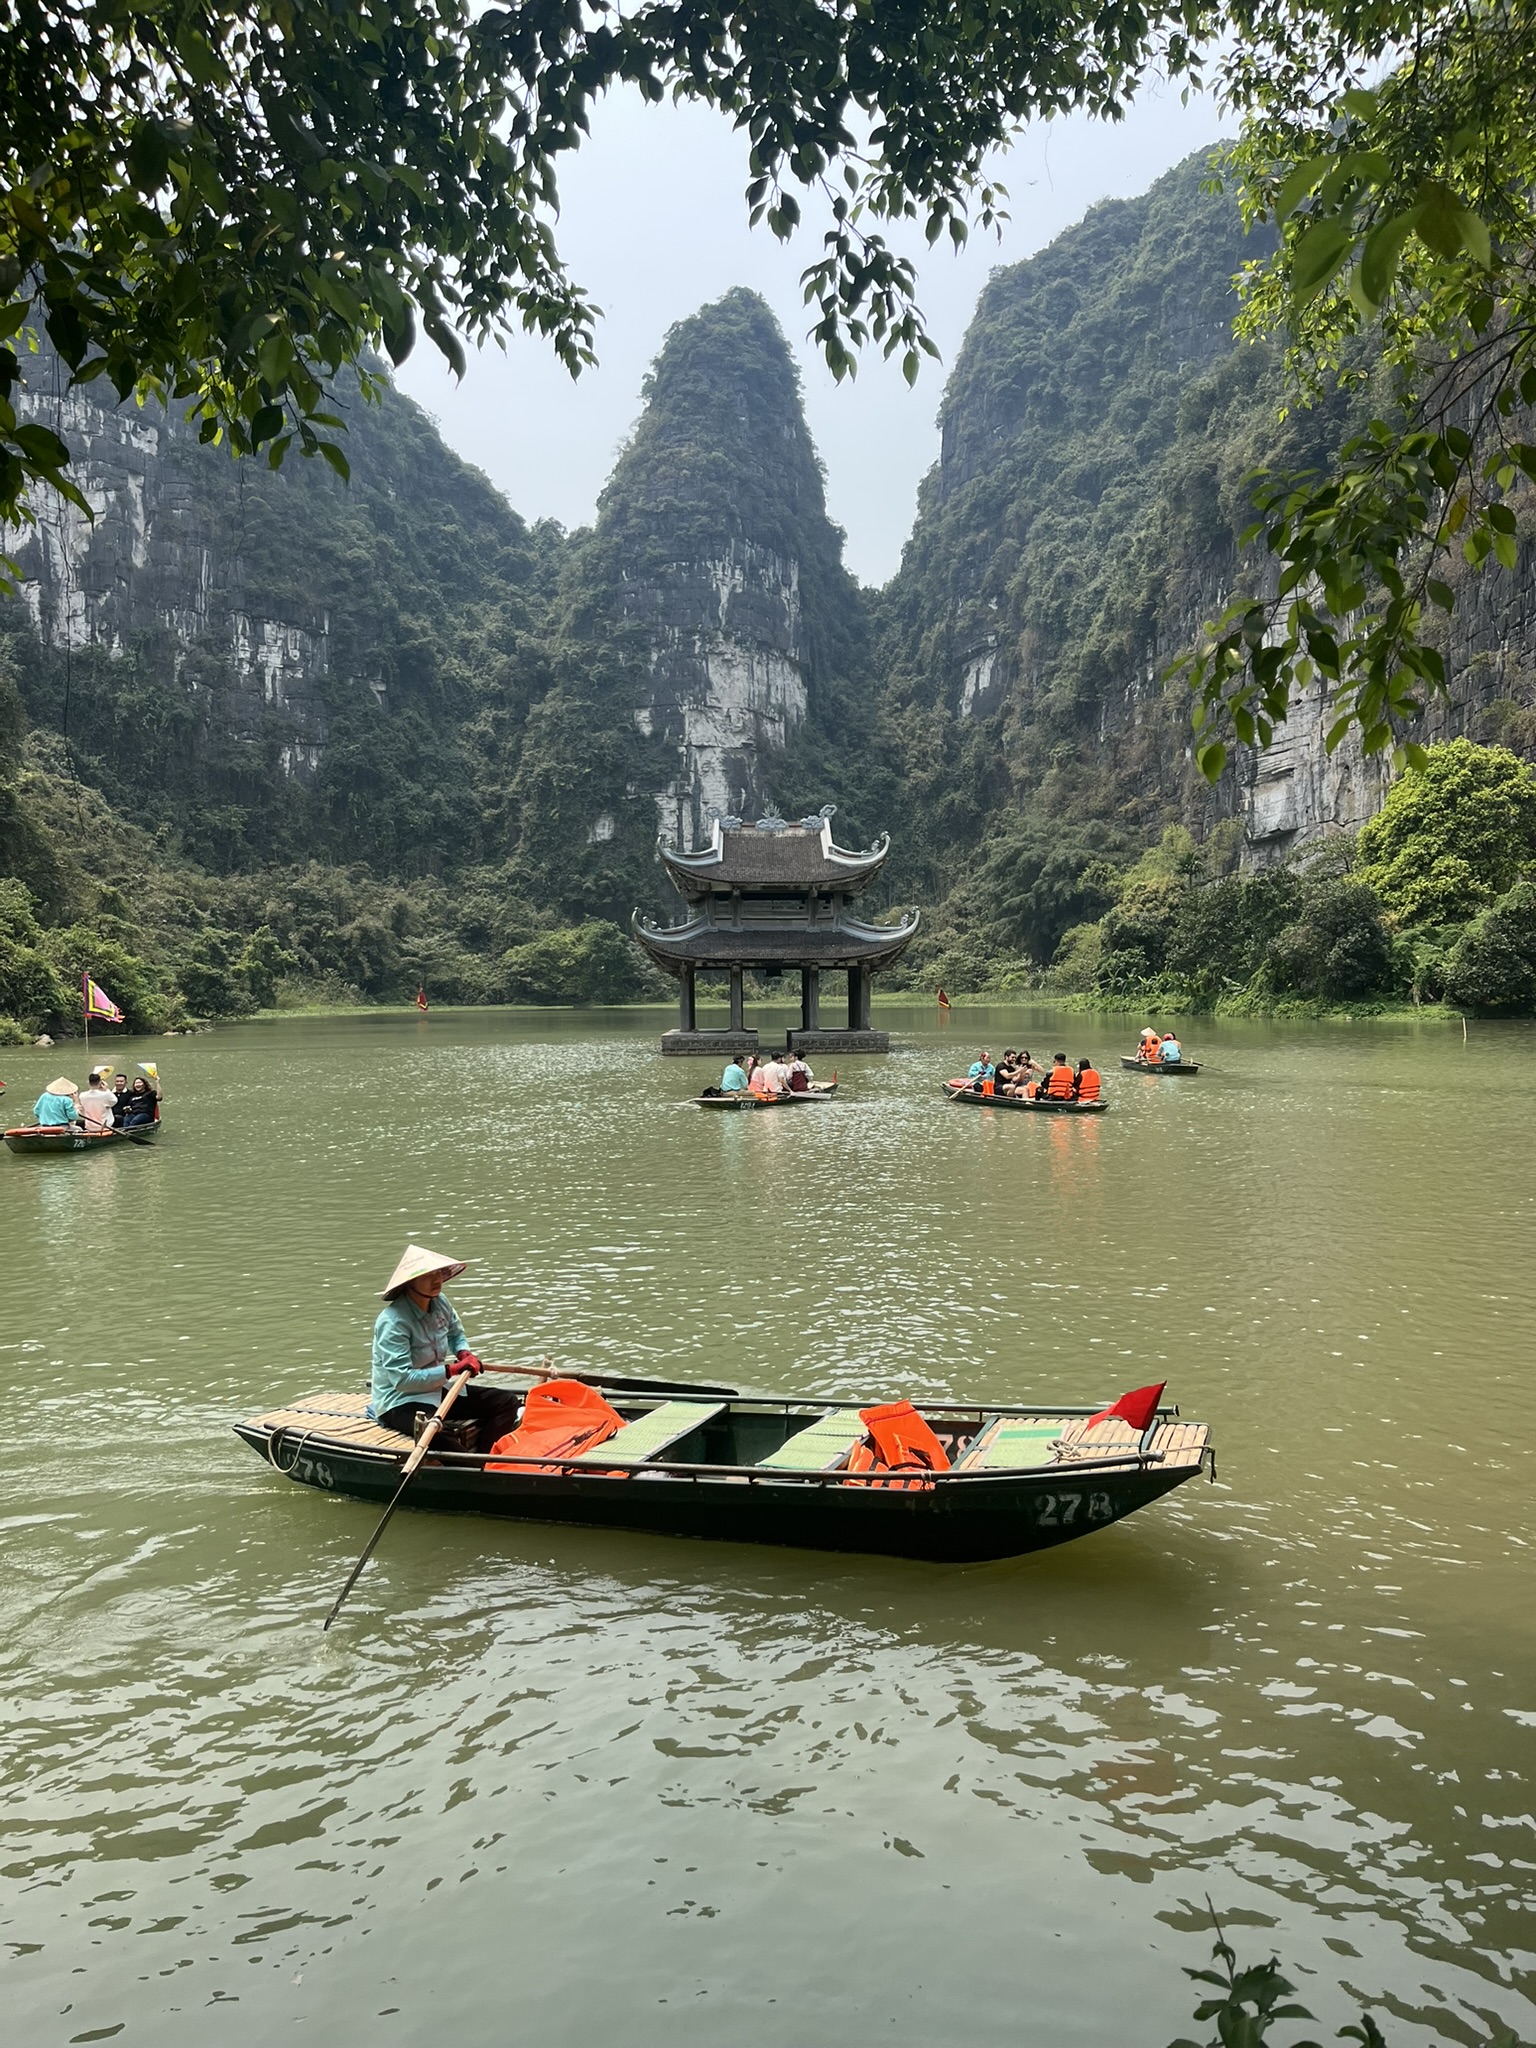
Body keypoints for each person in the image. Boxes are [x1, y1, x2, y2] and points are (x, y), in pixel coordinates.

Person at [367, 1242, 521, 1445]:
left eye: (439, 1273)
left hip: (436, 1389)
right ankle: (470, 1470)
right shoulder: (393, 1321)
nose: (437, 1279)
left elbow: (455, 1333)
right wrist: (452, 1370)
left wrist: (463, 1352)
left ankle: (485, 1461)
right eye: (428, 1275)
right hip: (400, 1400)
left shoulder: (440, 1302)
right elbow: (402, 1380)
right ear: (411, 1282)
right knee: (437, 1433)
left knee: (506, 1402)